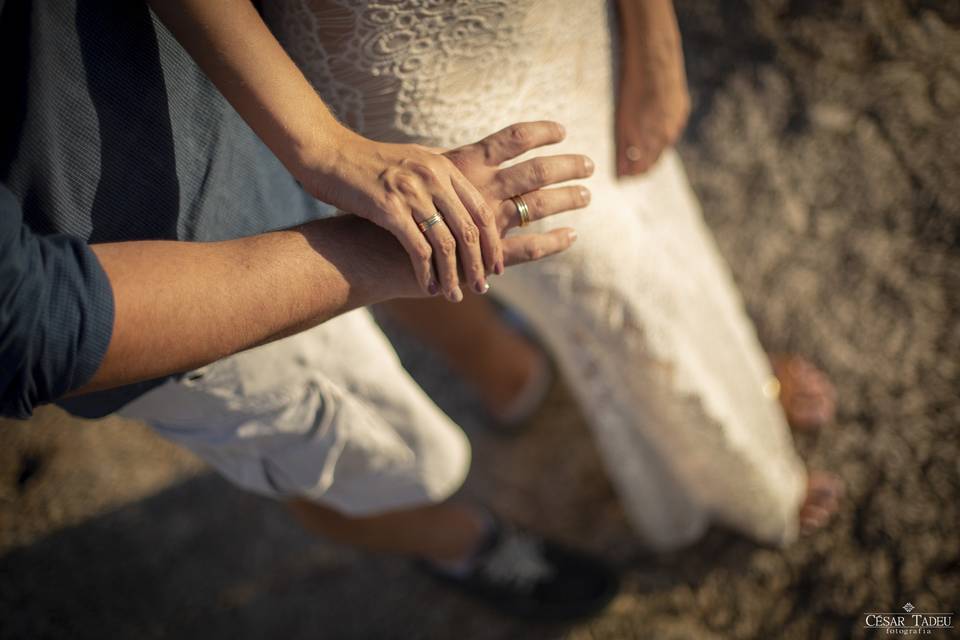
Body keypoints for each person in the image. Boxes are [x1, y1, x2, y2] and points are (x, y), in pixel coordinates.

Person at [0, 1, 618, 621]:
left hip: (255, 106)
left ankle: (506, 374)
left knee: (416, 245)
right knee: (398, 462)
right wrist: (369, 255)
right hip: (181, 307)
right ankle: (462, 543)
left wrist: (322, 147)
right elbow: (32, 327)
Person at [262, 0, 845, 550]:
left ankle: (727, 378)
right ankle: (737, 464)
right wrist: (323, 149)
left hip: (551, 22)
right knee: (589, 270)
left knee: (642, 190)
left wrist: (655, 28)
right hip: (381, 48)